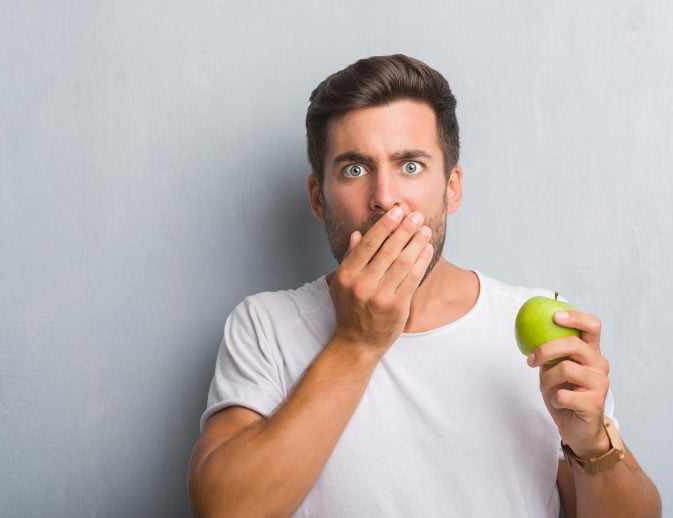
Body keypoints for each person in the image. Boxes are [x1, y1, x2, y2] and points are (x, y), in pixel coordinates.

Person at [188, 54, 661, 517]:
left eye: (410, 165)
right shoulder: (265, 326)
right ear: (317, 198)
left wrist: (592, 442)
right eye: (355, 169)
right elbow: (224, 509)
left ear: (451, 187)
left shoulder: (533, 328)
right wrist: (357, 342)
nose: (384, 197)